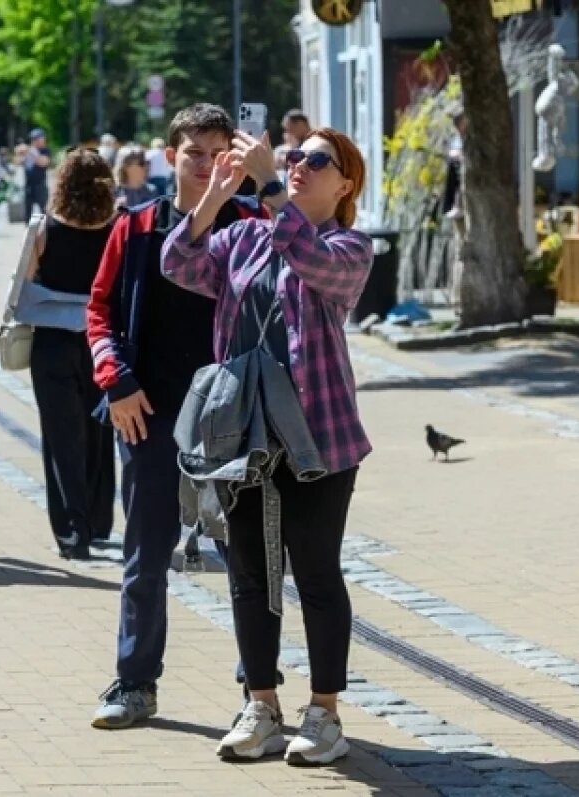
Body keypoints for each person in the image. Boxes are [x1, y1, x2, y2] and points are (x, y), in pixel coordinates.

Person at [162, 127, 371, 765]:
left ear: (345, 184)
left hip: (318, 435)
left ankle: (325, 712)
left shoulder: (348, 245)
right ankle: (261, 705)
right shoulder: (247, 235)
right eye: (293, 157)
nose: (299, 166)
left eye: (317, 160)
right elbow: (178, 261)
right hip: (242, 434)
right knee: (250, 575)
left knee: (315, 573)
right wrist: (217, 194)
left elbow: (316, 266)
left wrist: (273, 193)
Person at [87, 104, 268, 730]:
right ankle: (135, 682)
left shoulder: (252, 223)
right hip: (151, 410)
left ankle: (259, 689)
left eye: (220, 152)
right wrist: (117, 384)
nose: (207, 165)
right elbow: (100, 313)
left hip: (236, 414)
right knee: (145, 551)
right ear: (171, 159)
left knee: (250, 553)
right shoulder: (135, 228)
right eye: (194, 152)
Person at [23, 150, 117, 560]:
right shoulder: (116, 227)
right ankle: (99, 520)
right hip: (103, 340)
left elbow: (24, 282)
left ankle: (72, 530)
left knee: (61, 437)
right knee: (101, 430)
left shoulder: (45, 229)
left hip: (53, 341)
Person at [23, 128, 52, 222]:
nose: (35, 141)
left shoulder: (45, 150)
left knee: (44, 211)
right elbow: (17, 161)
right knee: (27, 212)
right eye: (33, 139)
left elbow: (43, 162)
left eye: (37, 138)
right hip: (28, 185)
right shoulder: (29, 151)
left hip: (40, 185)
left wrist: (31, 153)